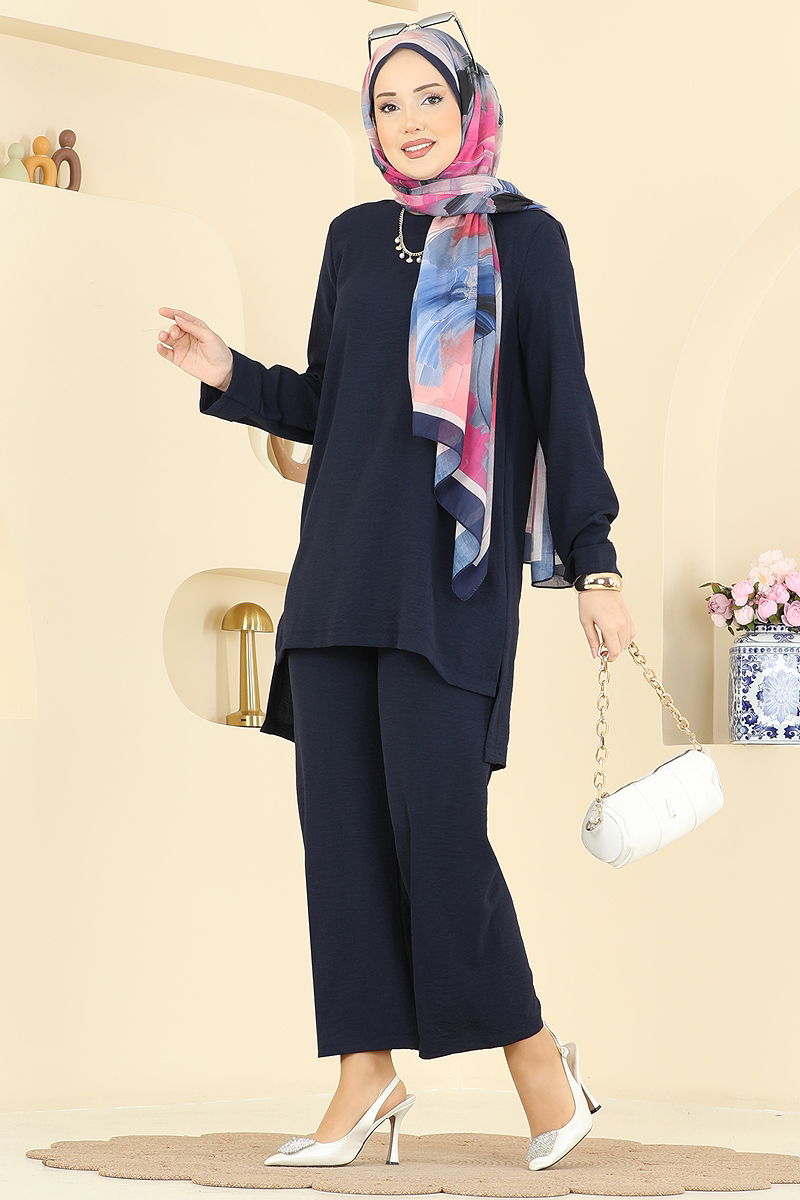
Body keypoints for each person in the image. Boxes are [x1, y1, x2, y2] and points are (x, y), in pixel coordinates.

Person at [156, 18, 634, 1173]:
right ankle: (363, 1075)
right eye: (385, 104)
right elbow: (329, 402)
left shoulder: (526, 240)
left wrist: (594, 559)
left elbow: (560, 406)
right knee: (342, 839)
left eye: (428, 97)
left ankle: (538, 1062)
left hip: (447, 584)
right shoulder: (354, 238)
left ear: (467, 104)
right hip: (336, 578)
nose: (408, 121)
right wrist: (230, 375)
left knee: (439, 832)